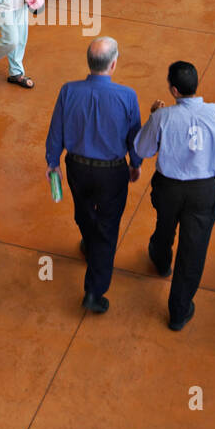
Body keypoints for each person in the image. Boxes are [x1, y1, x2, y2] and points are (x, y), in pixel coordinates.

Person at [135, 61, 215, 330]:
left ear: (173, 90)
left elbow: (144, 149)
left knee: (164, 225)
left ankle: (160, 260)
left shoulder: (162, 116)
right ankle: (179, 311)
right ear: (195, 86)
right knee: (193, 249)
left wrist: (153, 116)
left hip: (169, 187)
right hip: (203, 190)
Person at [45, 37, 142, 314]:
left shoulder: (68, 91)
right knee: (108, 228)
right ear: (113, 64)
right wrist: (135, 163)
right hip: (112, 173)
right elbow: (134, 136)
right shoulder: (127, 96)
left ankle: (89, 240)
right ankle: (93, 291)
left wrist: (53, 162)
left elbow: (56, 131)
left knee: (83, 211)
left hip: (77, 167)